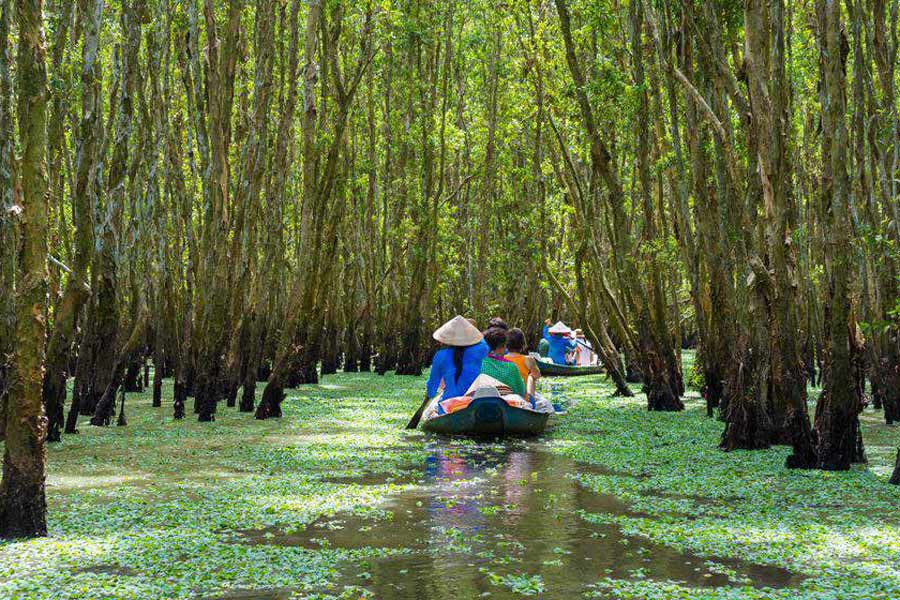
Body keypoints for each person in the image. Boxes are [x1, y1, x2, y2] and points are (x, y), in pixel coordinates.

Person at [425, 316, 486, 401]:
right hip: (477, 401)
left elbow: (431, 389)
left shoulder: (440, 355)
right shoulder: (483, 349)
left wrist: (429, 393)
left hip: (450, 402)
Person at [478, 327, 527, 398]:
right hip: (506, 405)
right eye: (505, 346)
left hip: (483, 401)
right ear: (501, 347)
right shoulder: (511, 367)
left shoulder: (479, 363)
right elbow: (521, 392)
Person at [506, 328, 542, 402]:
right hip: (523, 399)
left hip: (506, 398)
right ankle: (531, 401)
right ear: (523, 344)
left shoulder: (501, 359)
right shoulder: (528, 359)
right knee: (531, 377)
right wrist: (530, 376)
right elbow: (537, 375)